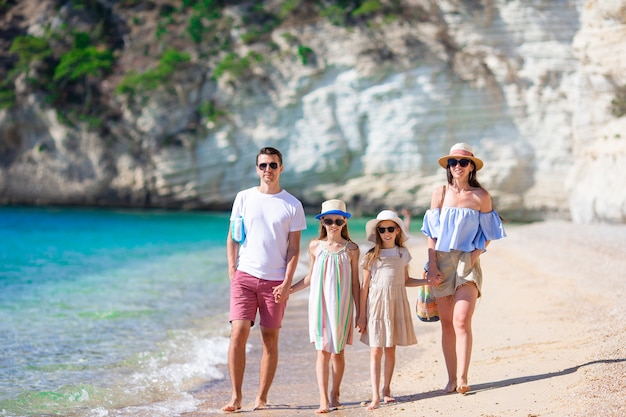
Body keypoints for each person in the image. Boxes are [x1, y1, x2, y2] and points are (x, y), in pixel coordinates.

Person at [223, 147, 307, 412]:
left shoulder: (292, 204)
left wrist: (286, 283)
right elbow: (233, 237)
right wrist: (232, 270)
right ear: (257, 168)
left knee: (269, 339)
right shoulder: (243, 198)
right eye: (263, 165)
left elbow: (294, 249)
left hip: (275, 282)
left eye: (272, 165)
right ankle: (236, 398)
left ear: (281, 168)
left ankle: (261, 398)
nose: (267, 170)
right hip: (244, 277)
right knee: (238, 333)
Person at [421, 143, 506, 395]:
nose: (457, 166)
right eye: (452, 162)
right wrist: (432, 264)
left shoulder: (481, 197)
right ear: (448, 166)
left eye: (462, 162)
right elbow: (430, 234)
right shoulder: (439, 193)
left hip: (467, 262)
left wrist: (476, 253)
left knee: (461, 320)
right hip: (440, 261)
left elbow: (490, 232)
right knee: (446, 323)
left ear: (472, 167)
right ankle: (450, 379)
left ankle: (462, 378)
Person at [291, 200, 360, 414]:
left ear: (344, 221)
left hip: (342, 305)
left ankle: (335, 394)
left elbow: (356, 284)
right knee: (322, 351)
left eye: (338, 220)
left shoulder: (352, 249)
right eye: (328, 220)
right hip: (320, 305)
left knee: (338, 352)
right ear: (322, 221)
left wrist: (362, 314)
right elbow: (311, 277)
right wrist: (288, 291)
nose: (333, 224)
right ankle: (323, 399)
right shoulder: (315, 246)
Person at [357, 210, 428, 410]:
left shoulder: (402, 253)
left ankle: (386, 389)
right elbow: (364, 287)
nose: (386, 232)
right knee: (375, 350)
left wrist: (426, 281)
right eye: (382, 229)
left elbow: (405, 281)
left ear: (397, 230)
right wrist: (361, 315)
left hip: (396, 303)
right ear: (377, 232)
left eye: (390, 228)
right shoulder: (371, 255)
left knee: (390, 348)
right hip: (376, 305)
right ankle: (374, 396)